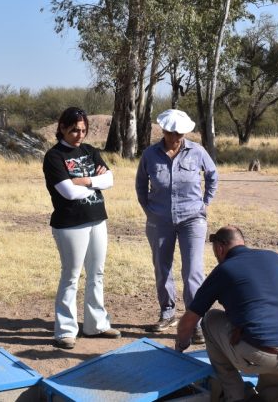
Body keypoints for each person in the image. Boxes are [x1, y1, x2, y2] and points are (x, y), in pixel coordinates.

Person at [175, 226, 278, 402]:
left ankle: (235, 396)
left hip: (260, 353)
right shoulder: (275, 258)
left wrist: (181, 344)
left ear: (219, 247)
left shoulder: (224, 270)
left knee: (210, 319)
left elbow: (190, 320)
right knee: (270, 391)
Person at [135, 109, 218, 342]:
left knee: (193, 271)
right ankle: (168, 312)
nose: (175, 138)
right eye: (171, 133)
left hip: (193, 218)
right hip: (159, 219)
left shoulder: (197, 152)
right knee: (162, 268)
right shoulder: (150, 155)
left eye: (180, 133)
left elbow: (213, 176)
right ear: (163, 130)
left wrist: (205, 203)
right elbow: (141, 183)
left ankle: (196, 322)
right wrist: (148, 209)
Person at [43, 106, 120, 350]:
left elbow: (109, 180)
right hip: (69, 224)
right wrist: (94, 183)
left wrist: (85, 181)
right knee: (71, 275)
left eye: (83, 130)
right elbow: (68, 192)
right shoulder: (54, 157)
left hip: (97, 218)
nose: (79, 135)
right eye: (74, 130)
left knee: (97, 273)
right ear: (62, 128)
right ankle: (66, 330)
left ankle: (95, 325)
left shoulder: (90, 151)